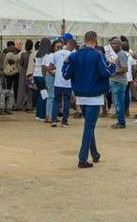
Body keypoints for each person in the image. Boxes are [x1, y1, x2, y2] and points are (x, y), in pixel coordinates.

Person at [63, 31, 116, 168]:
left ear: (85, 40)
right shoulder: (97, 54)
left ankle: (95, 154)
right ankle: (82, 158)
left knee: (89, 125)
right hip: (94, 95)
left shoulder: (74, 55)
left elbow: (66, 74)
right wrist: (112, 64)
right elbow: (105, 72)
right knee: (89, 127)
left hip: (80, 95)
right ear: (95, 40)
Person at [52, 36, 75, 127]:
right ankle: (64, 121)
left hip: (57, 81)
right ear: (71, 45)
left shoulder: (57, 54)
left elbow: (53, 65)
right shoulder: (72, 55)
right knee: (66, 102)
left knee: (56, 100)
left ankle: (54, 120)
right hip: (68, 82)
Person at [109, 37, 130, 129]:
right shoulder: (116, 54)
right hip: (115, 82)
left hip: (119, 82)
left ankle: (121, 123)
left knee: (119, 103)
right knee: (117, 103)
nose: (113, 45)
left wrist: (114, 71)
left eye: (115, 43)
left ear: (120, 45)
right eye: (112, 43)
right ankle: (120, 121)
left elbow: (125, 68)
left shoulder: (121, 54)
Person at [32, 38, 51, 121]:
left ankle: (38, 115)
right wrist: (45, 78)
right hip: (41, 76)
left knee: (40, 95)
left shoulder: (37, 53)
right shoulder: (46, 54)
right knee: (44, 96)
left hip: (35, 75)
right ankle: (42, 115)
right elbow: (44, 67)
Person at [15, 39, 34, 110]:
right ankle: (29, 106)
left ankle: (19, 105)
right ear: (32, 46)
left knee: (21, 89)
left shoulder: (23, 54)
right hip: (30, 73)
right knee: (30, 89)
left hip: (23, 72)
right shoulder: (33, 54)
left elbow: (21, 63)